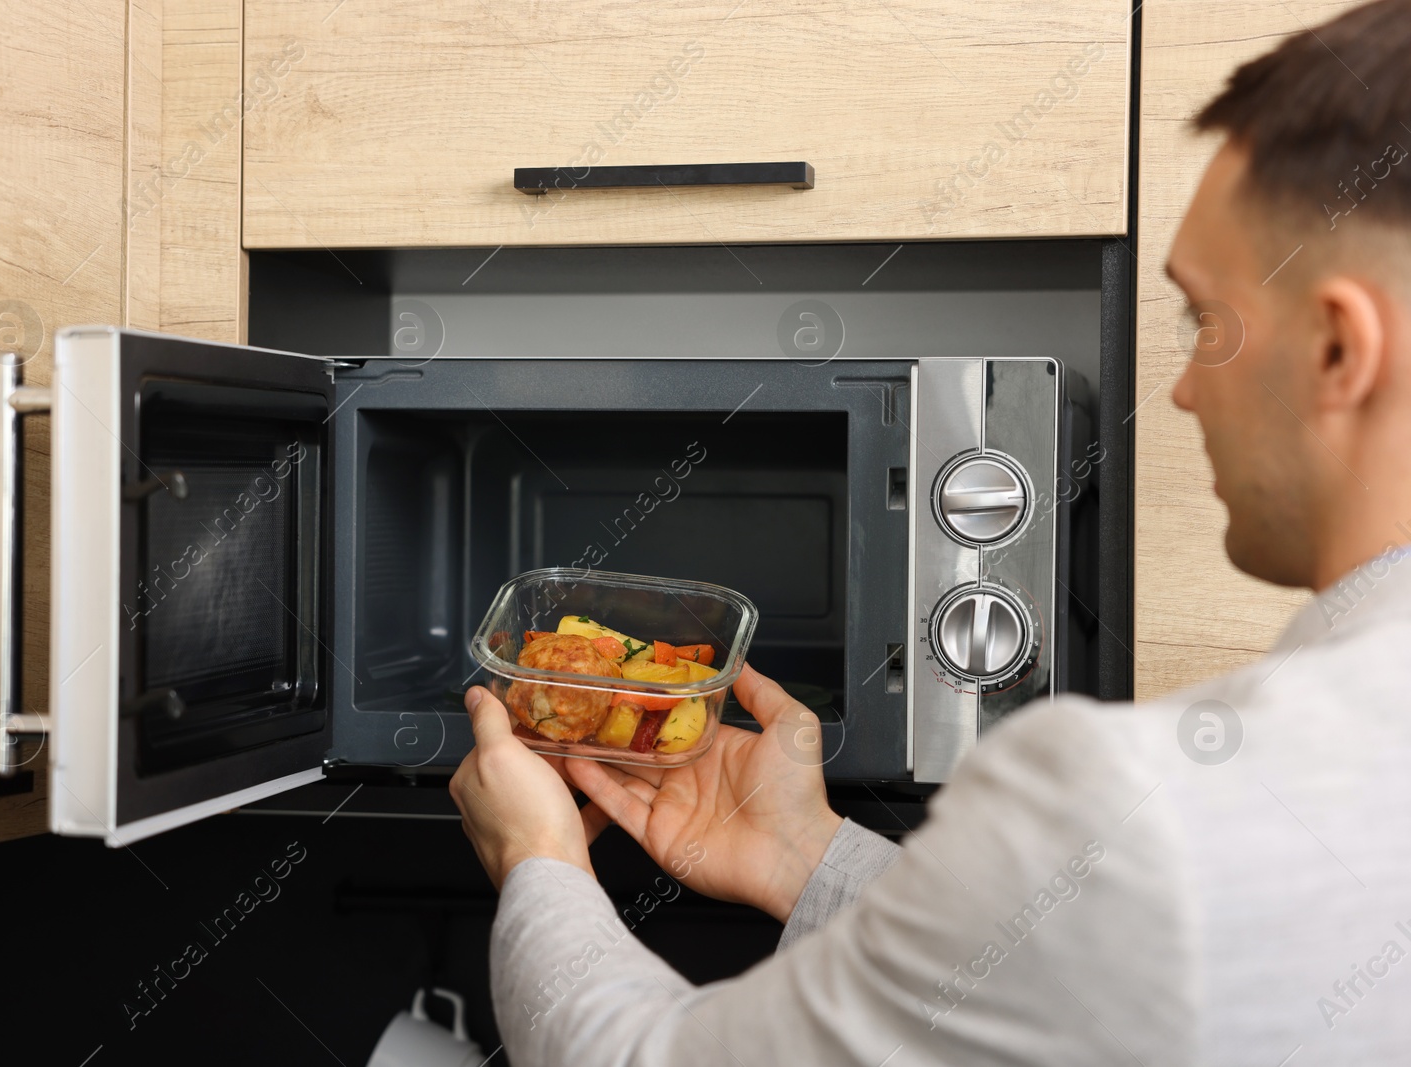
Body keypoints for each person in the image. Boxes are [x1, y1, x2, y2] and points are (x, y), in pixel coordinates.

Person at [450, 2, 1411, 1062]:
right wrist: (805, 852)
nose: (1180, 390)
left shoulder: (1153, 814)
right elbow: (1074, 968)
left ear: (1337, 349)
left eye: (1205, 321)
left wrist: (538, 857)